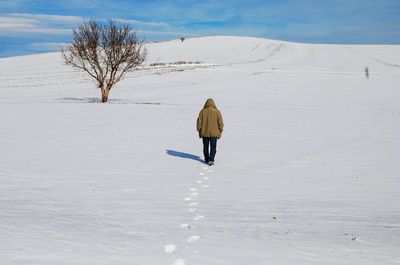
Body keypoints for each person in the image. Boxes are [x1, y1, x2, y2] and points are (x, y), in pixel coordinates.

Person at [196, 98, 224, 166]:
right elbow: (220, 123)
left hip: (204, 133)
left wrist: (199, 130)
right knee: (213, 147)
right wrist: (220, 130)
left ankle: (206, 159)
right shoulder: (217, 112)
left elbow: (199, 122)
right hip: (214, 133)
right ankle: (211, 159)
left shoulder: (202, 111)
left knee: (205, 147)